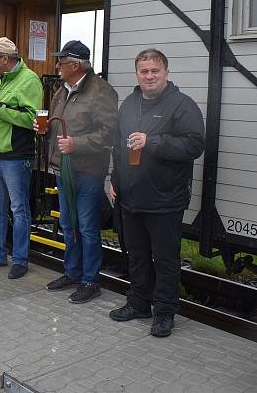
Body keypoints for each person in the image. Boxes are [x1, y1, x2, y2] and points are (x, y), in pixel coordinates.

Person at [109, 49, 205, 337]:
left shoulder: (182, 105)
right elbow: (118, 145)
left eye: (155, 71)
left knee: (165, 258)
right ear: (136, 73)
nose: (149, 76)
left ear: (166, 72)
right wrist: (115, 178)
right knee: (136, 254)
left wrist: (153, 142)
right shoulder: (129, 103)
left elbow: (194, 145)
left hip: (165, 197)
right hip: (131, 195)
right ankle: (138, 303)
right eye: (143, 71)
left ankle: (164, 312)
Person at [35, 40, 118, 304]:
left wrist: (76, 144)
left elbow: (109, 134)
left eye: (61, 61)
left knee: (87, 228)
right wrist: (46, 130)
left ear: (75, 64)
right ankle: (72, 273)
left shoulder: (101, 91)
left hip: (87, 171)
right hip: (63, 169)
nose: (57, 65)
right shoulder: (62, 90)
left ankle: (91, 281)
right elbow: (60, 125)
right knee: (68, 225)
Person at [0, 37, 43, 279]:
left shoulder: (30, 80)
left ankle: (21, 260)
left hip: (15, 157)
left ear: (4, 58)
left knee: (19, 209)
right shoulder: (3, 78)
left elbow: (32, 119)